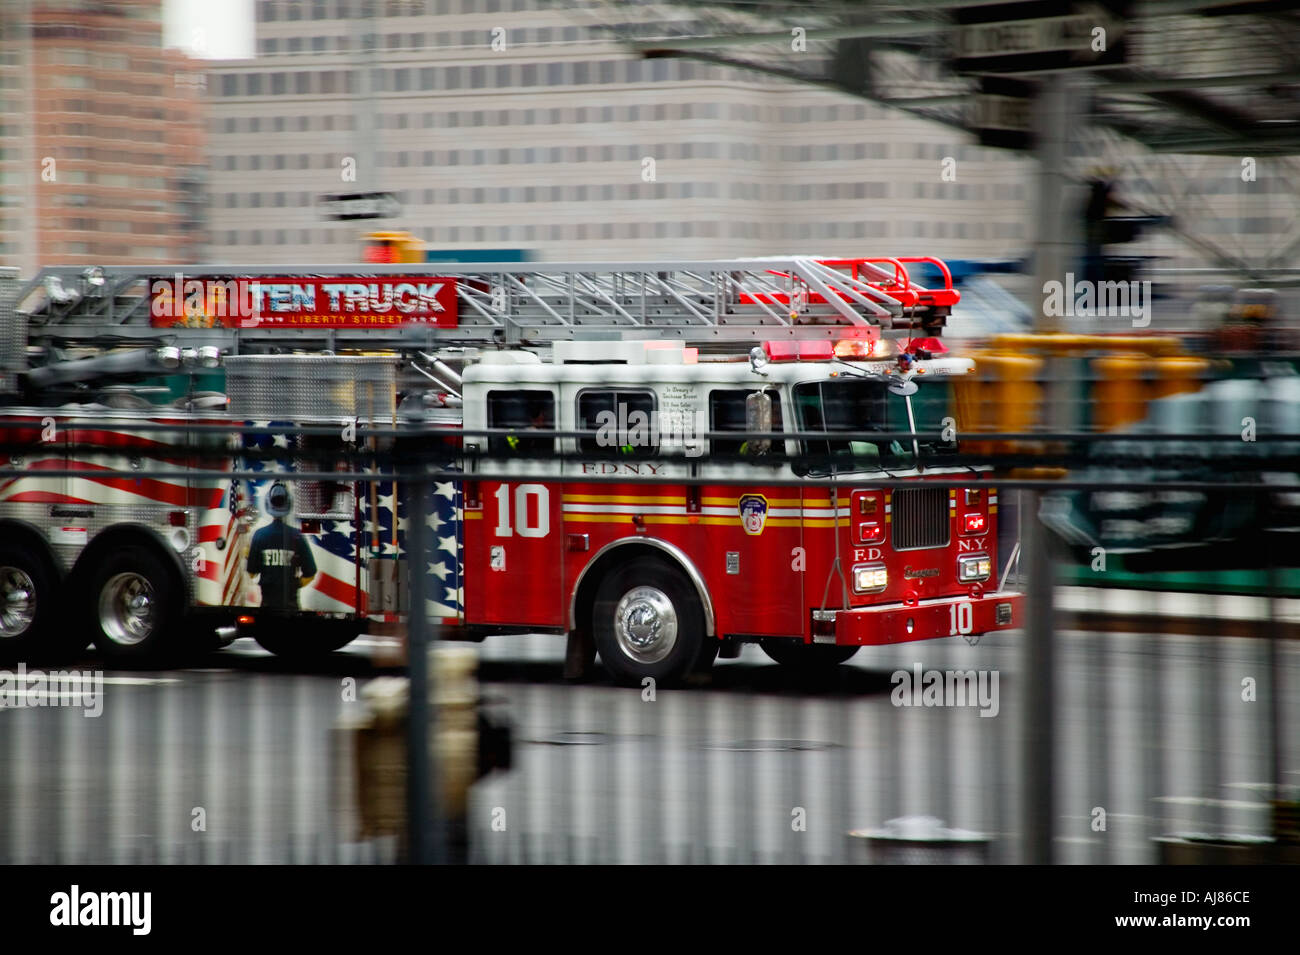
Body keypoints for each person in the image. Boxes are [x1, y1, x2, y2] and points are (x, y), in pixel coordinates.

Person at [246, 482, 316, 612]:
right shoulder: (297, 536)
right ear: (288, 504)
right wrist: (295, 585)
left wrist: (248, 555)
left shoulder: (259, 535)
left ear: (269, 504)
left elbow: (251, 573)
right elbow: (311, 573)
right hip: (291, 607)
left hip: (267, 606)